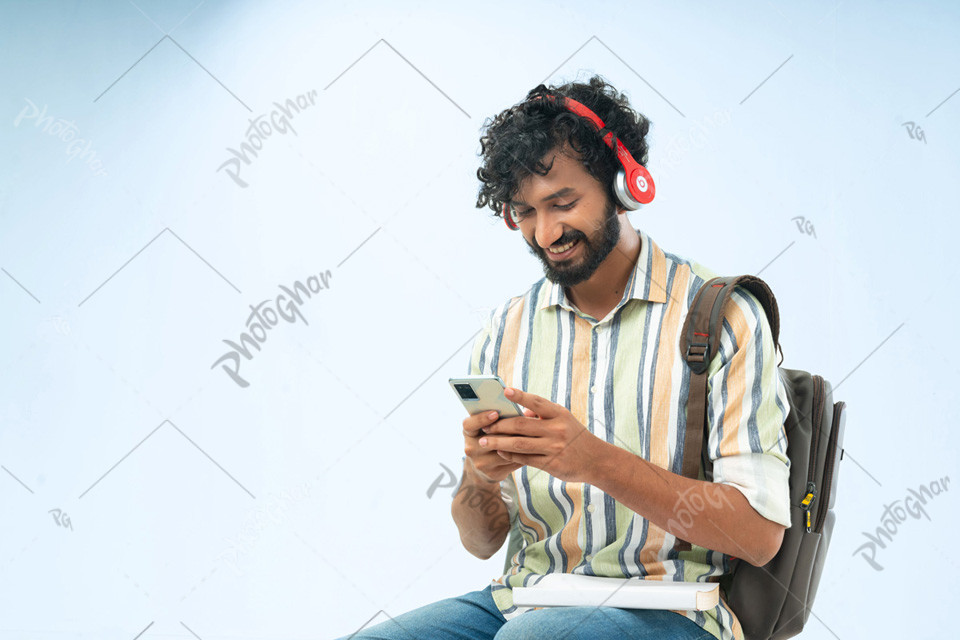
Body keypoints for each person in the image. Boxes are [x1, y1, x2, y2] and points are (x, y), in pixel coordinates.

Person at [338, 75, 791, 640]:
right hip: (522, 601)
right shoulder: (507, 330)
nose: (545, 233)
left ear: (623, 188)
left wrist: (592, 460)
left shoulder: (721, 316)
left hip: (673, 607)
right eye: (524, 212)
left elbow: (761, 535)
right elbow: (480, 543)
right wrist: (481, 472)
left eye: (563, 203)